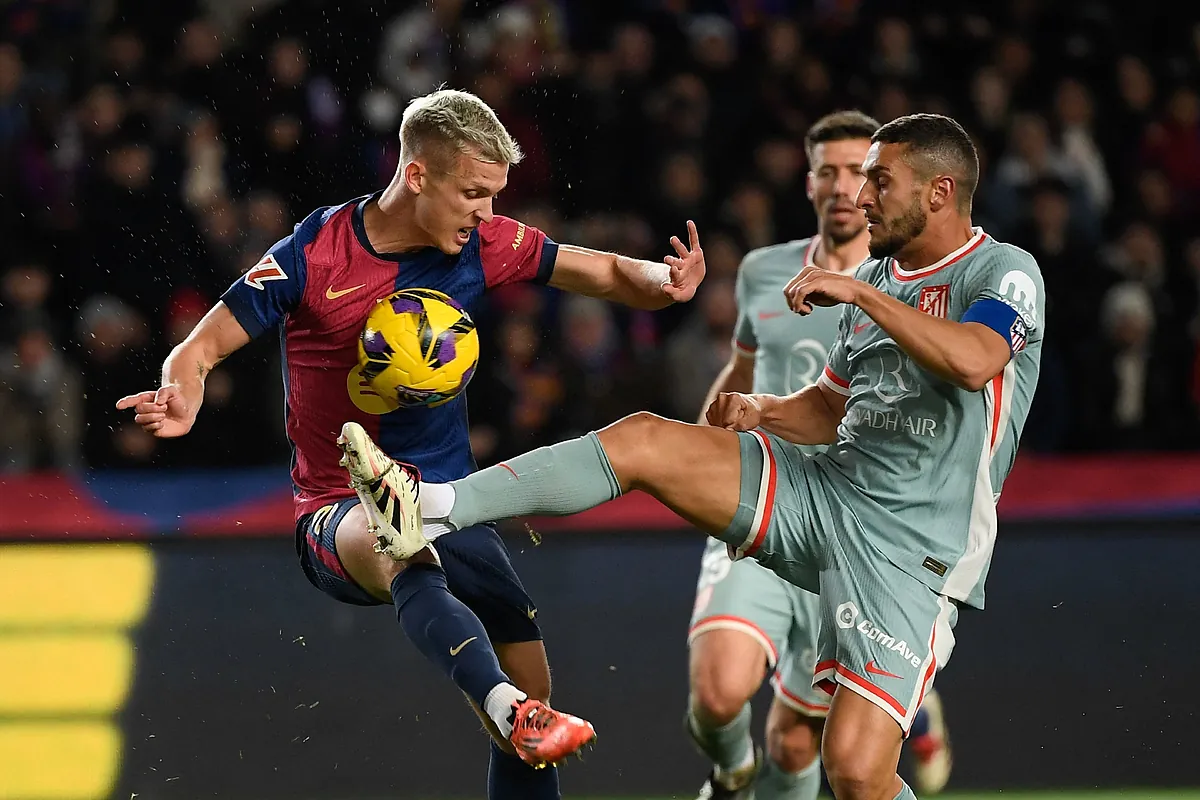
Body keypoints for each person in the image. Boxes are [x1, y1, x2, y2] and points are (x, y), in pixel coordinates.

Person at [388, 113, 1043, 800]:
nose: (862, 196)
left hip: (915, 549)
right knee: (645, 437)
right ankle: (434, 506)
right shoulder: (873, 280)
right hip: (827, 491)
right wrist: (764, 412)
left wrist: (861, 292)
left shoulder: (1002, 270)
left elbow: (976, 361)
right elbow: (827, 410)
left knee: (853, 771)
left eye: (880, 180)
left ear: (940, 192)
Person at [116, 88, 706, 800]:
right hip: (338, 511)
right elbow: (203, 344)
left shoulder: (483, 244)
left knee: (536, 692)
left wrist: (665, 282)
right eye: (474, 193)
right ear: (419, 175)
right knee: (398, 542)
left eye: (494, 196)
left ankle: (512, 707)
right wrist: (183, 389)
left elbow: (607, 272)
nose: (486, 212)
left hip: (454, 505)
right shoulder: (314, 252)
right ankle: (499, 703)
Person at [685, 111, 951, 800]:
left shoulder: (910, 288)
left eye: (857, 173)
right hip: (766, 499)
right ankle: (730, 770)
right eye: (827, 172)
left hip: (849, 535)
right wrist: (695, 443)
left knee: (798, 740)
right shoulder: (763, 271)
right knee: (717, 693)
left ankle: (906, 697)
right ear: (807, 182)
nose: (841, 187)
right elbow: (741, 370)